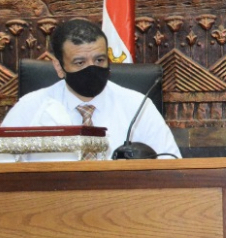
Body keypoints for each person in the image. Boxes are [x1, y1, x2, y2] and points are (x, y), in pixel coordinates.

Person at [1, 18, 181, 160]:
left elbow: (170, 166)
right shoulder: (30, 108)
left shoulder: (138, 107)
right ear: (58, 67)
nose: (92, 68)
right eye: (80, 62)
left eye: (99, 60)